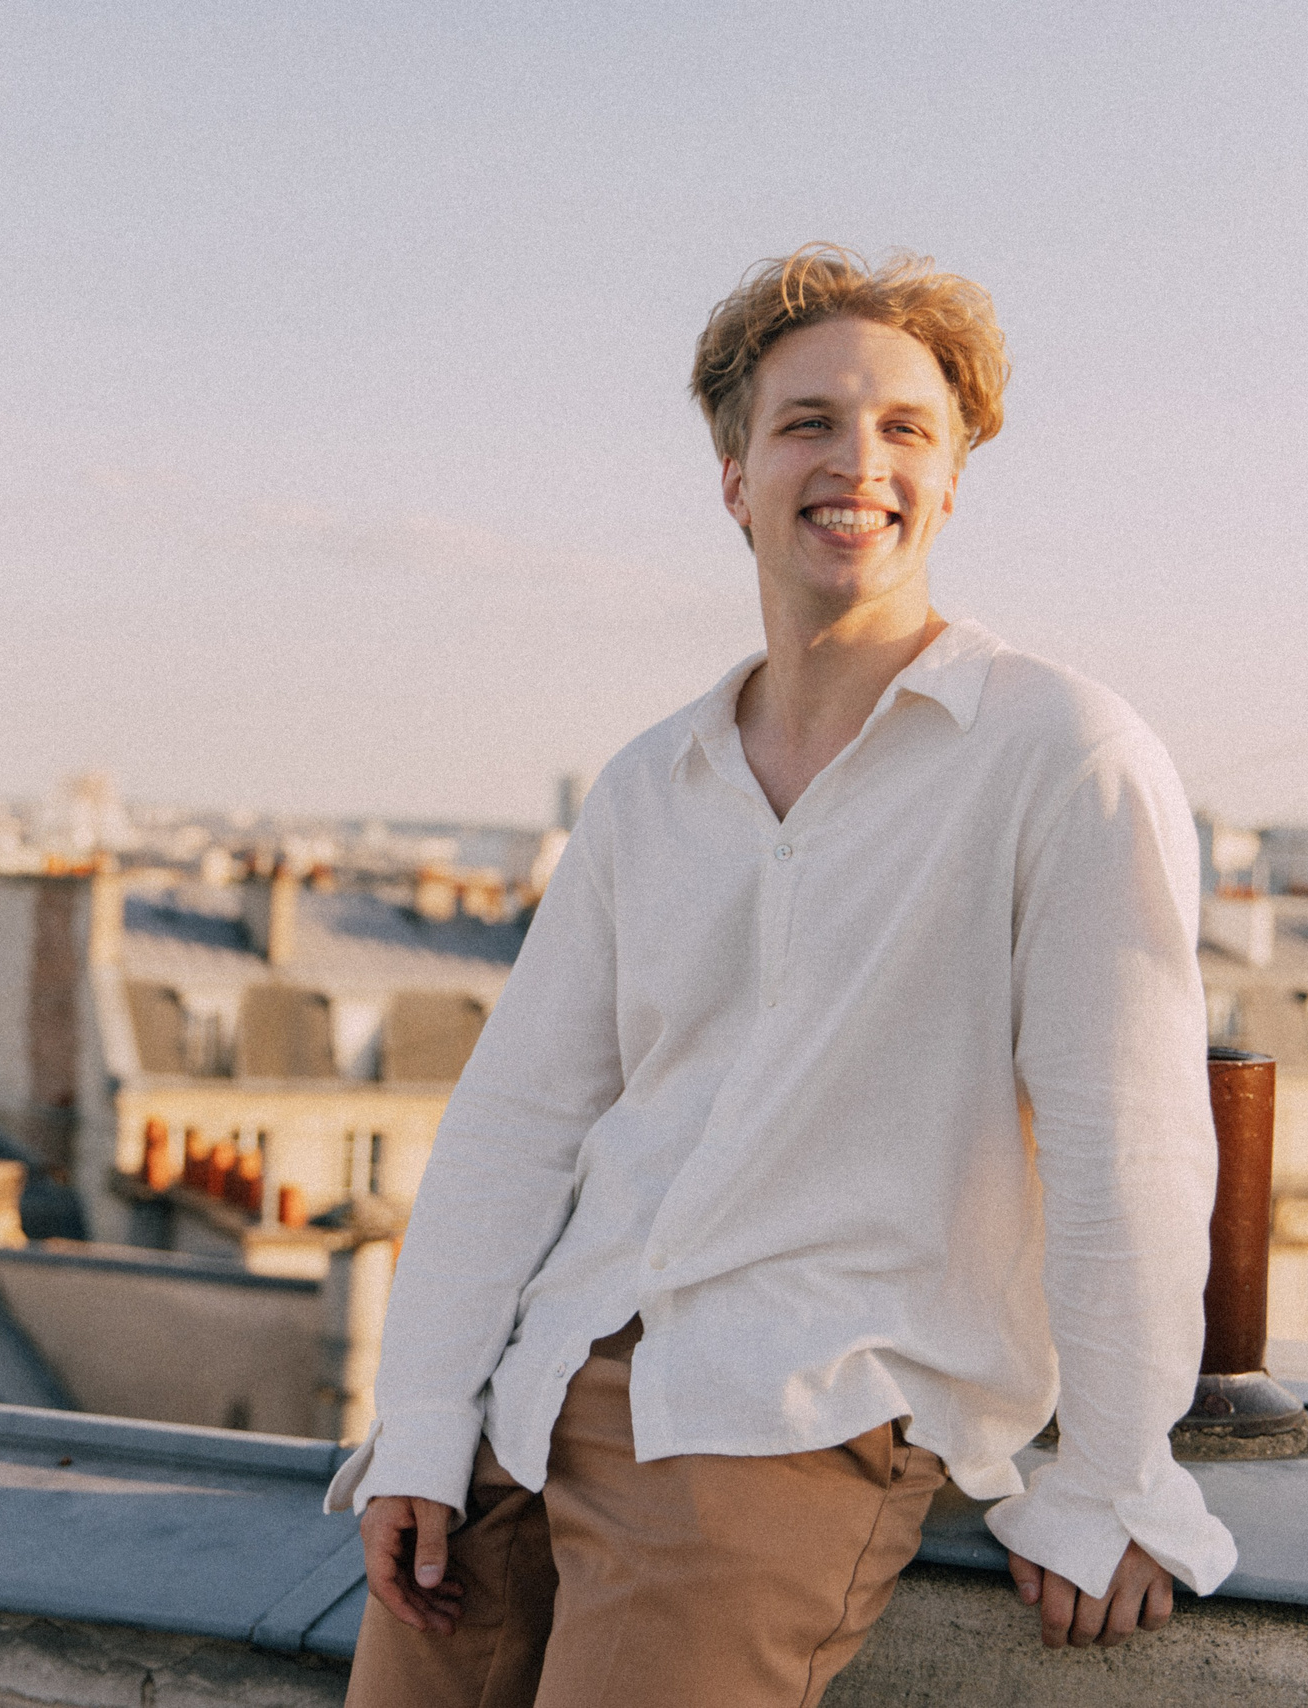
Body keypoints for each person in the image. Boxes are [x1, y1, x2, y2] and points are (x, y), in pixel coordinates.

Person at [325, 244, 1237, 1706]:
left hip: (784, 1420)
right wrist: (426, 1416)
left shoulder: (1065, 757)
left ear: (953, 481)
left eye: (904, 429)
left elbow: (1124, 1137)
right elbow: (519, 1120)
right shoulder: (652, 782)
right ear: (735, 476)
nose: (855, 461)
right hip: (537, 1388)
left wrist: (1119, 1478)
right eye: (807, 422)